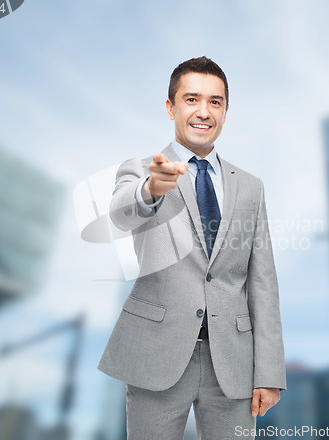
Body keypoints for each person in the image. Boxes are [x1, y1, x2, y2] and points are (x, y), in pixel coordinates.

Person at [98, 56, 286, 439]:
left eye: (215, 102)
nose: (204, 112)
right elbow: (120, 214)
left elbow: (262, 280)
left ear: (226, 110)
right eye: (191, 99)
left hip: (233, 362)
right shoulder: (143, 170)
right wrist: (150, 189)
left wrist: (269, 372)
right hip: (157, 355)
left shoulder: (251, 187)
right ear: (171, 107)